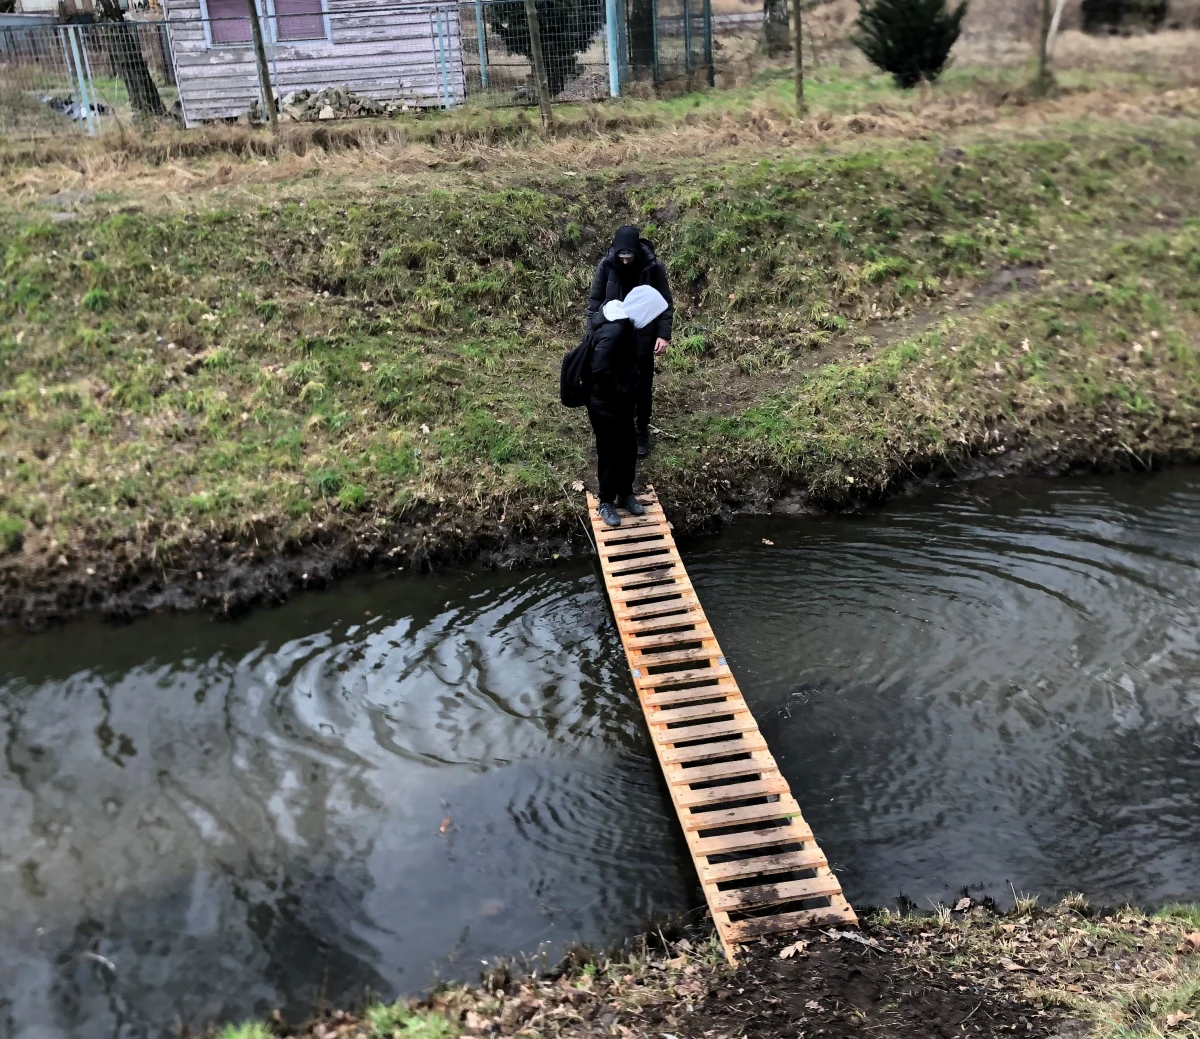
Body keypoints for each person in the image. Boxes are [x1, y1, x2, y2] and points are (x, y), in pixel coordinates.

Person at [587, 225, 674, 458]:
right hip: (614, 334)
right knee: (614, 382)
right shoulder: (606, 266)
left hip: (643, 334)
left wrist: (663, 335)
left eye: (629, 256)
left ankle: (641, 430)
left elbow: (665, 303)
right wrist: (591, 334)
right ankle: (618, 427)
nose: (625, 261)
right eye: (621, 256)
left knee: (642, 385)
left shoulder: (653, 267)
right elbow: (595, 302)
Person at [587, 286, 670, 528]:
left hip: (622, 402)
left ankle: (625, 493)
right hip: (604, 403)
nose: (651, 321)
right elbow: (599, 369)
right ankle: (606, 501)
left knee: (628, 447)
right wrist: (622, 391)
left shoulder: (627, 325)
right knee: (609, 451)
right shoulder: (614, 330)